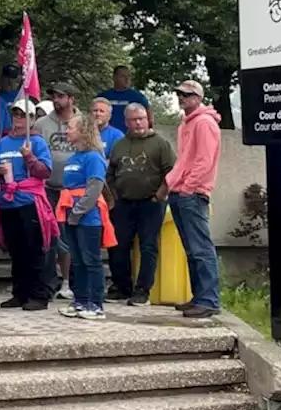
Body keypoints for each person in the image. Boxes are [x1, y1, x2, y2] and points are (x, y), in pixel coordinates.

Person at [105, 102, 175, 306]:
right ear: (126, 122)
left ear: (148, 119)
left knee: (148, 246)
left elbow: (171, 171)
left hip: (150, 203)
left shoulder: (160, 143)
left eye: (141, 118)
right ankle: (122, 287)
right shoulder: (120, 144)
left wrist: (160, 195)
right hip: (124, 203)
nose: (138, 123)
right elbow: (110, 173)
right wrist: (114, 197)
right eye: (133, 120)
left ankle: (143, 290)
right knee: (118, 246)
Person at [166, 79, 223, 319]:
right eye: (179, 94)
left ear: (198, 98)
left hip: (193, 193)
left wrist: (188, 187)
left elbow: (204, 161)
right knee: (191, 249)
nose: (182, 98)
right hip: (180, 191)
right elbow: (186, 159)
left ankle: (209, 300)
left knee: (201, 248)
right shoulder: (185, 124)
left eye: (187, 94)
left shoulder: (204, 123)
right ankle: (199, 297)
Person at [0, 99, 54, 311]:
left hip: (29, 201)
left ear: (32, 119)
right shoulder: (4, 142)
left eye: (23, 116)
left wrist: (29, 158)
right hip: (9, 202)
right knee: (16, 250)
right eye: (15, 115)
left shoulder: (37, 143)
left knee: (34, 249)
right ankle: (20, 292)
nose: (18, 120)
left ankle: (39, 294)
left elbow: (45, 171)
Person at [57, 112, 115, 321]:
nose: (67, 131)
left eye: (71, 127)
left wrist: (78, 211)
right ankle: (80, 300)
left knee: (91, 261)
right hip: (71, 215)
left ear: (83, 130)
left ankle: (96, 304)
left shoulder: (93, 157)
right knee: (78, 261)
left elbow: (94, 188)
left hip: (88, 218)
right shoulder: (74, 157)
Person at [33, 82, 76, 300]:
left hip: (74, 190)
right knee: (49, 236)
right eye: (54, 96)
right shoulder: (41, 124)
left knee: (69, 237)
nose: (56, 100)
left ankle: (69, 282)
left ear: (71, 99)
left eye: (61, 96)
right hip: (47, 188)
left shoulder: (82, 123)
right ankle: (48, 282)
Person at [97, 65, 149, 133]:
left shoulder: (138, 97)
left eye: (128, 77)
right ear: (114, 77)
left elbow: (149, 117)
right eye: (123, 76)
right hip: (108, 137)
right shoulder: (103, 97)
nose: (127, 79)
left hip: (131, 138)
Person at [0, 64, 23, 135]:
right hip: (2, 132)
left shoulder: (21, 95)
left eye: (12, 78)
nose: (9, 81)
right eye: (7, 78)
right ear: (2, 78)